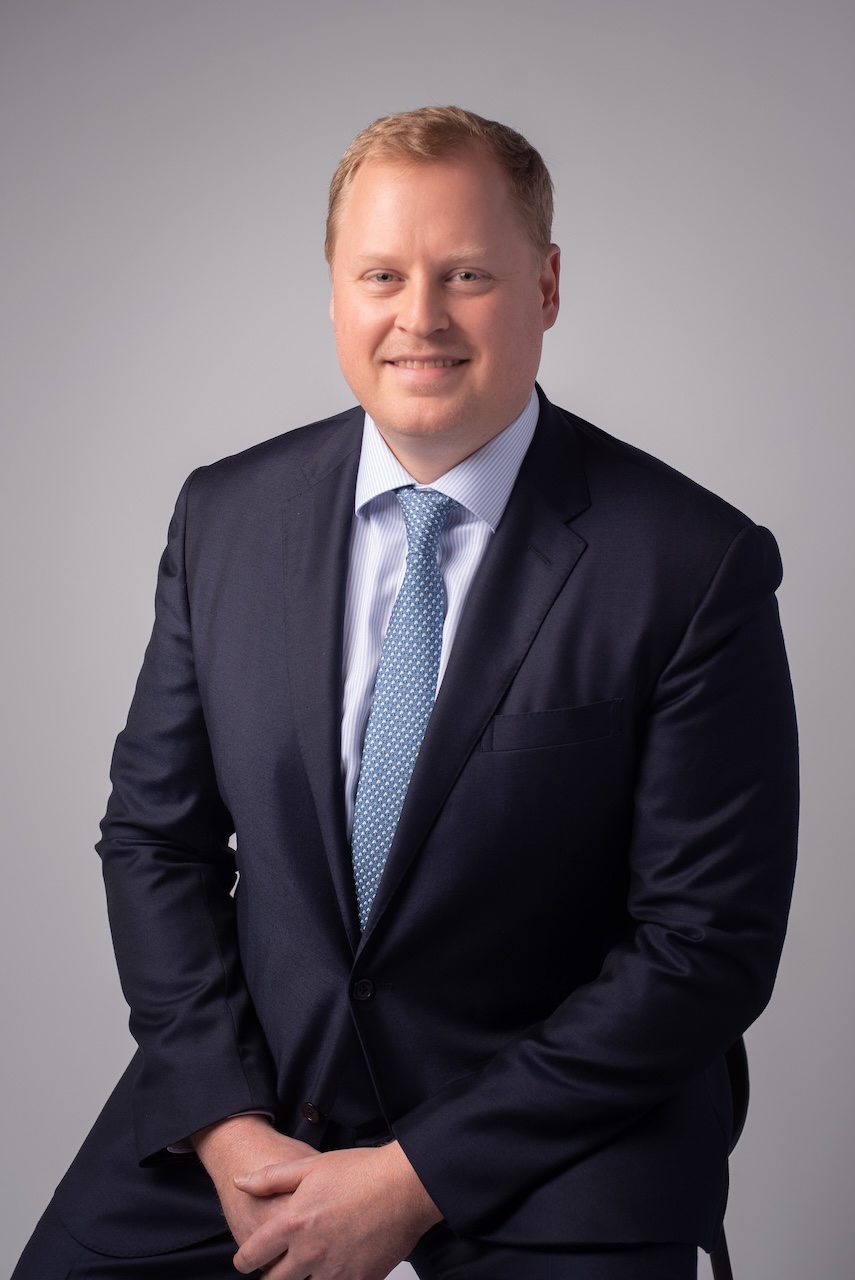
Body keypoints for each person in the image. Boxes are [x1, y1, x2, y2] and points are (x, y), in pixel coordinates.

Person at [14, 106, 798, 1280]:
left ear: (546, 285)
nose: (419, 316)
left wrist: (411, 1176)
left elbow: (704, 944)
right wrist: (225, 1125)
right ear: (335, 291)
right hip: (262, 1093)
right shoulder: (225, 516)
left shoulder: (693, 562)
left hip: (558, 1131)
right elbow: (154, 841)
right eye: (381, 274)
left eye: (467, 274)